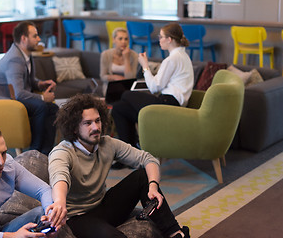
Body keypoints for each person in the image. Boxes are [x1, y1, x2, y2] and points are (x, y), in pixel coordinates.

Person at [47, 94, 190, 238]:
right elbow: (59, 176)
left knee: (142, 176)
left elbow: (148, 159)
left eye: (98, 121)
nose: (96, 127)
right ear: (74, 128)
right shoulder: (62, 152)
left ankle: (174, 233)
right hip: (78, 217)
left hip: (103, 206)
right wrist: (59, 201)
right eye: (88, 123)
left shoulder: (108, 144)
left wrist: (153, 186)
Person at [111, 22, 194, 148]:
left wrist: (145, 65)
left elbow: (154, 87)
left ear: (169, 39)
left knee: (126, 94)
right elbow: (160, 83)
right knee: (119, 108)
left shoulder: (172, 60)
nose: (159, 40)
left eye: (161, 37)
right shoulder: (183, 56)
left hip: (168, 104)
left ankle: (138, 144)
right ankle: (130, 152)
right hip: (170, 102)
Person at [0, 21, 58, 155]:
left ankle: (46, 152)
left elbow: (26, 80)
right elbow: (18, 94)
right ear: (24, 39)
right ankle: (34, 152)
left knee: (53, 108)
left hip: (13, 94)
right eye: (35, 36)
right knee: (41, 106)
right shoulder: (14, 59)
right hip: (2, 99)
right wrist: (42, 96)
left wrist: (40, 84)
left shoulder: (25, 54)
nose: (39, 39)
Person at [100, 27, 138, 95]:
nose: (123, 42)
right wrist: (116, 78)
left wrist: (126, 59)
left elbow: (131, 79)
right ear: (113, 40)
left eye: (126, 39)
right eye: (120, 39)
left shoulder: (134, 56)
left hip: (127, 87)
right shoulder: (105, 54)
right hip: (110, 85)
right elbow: (103, 76)